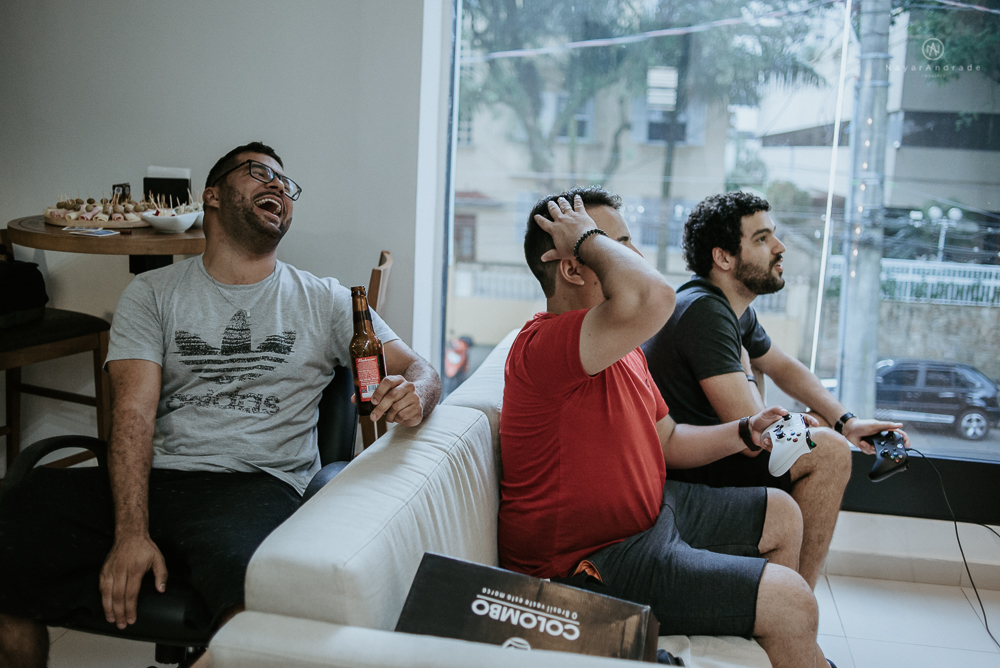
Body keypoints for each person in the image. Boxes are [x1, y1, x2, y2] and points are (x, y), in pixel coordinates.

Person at [0, 141, 441, 668]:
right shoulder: (152, 294)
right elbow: (133, 414)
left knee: (257, 616)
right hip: (159, 477)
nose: (278, 185)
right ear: (211, 195)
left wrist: (418, 392)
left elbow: (421, 368)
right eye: (260, 173)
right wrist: (132, 532)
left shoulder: (322, 299)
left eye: (287, 184)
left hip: (255, 485)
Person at [499, 187, 835, 668]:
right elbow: (656, 296)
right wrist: (585, 236)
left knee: (782, 512)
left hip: (652, 516)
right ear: (574, 267)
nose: (632, 256)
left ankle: (774, 646)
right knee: (791, 600)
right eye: (613, 245)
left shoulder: (620, 346)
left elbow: (670, 439)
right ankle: (790, 636)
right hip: (588, 566)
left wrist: (745, 430)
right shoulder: (543, 347)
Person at [642, 191, 907, 589]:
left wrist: (846, 421)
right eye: (762, 239)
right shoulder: (705, 312)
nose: (779, 248)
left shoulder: (731, 308)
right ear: (724, 258)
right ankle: (796, 607)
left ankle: (788, 601)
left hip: (717, 455)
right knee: (829, 452)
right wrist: (750, 370)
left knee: (824, 432)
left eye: (773, 236)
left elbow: (784, 366)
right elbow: (757, 434)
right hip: (693, 469)